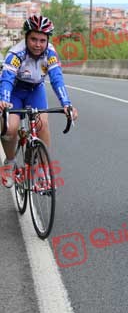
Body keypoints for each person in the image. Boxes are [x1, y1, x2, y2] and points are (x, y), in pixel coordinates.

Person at [0, 14, 78, 188]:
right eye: (33, 39)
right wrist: (3, 100)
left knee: (42, 124)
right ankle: (10, 163)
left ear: (47, 40)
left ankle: (43, 172)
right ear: (26, 37)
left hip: (35, 90)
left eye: (42, 40)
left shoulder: (50, 52)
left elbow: (57, 78)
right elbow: (6, 79)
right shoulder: (15, 53)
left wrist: (66, 103)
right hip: (15, 91)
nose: (38, 44)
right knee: (10, 128)